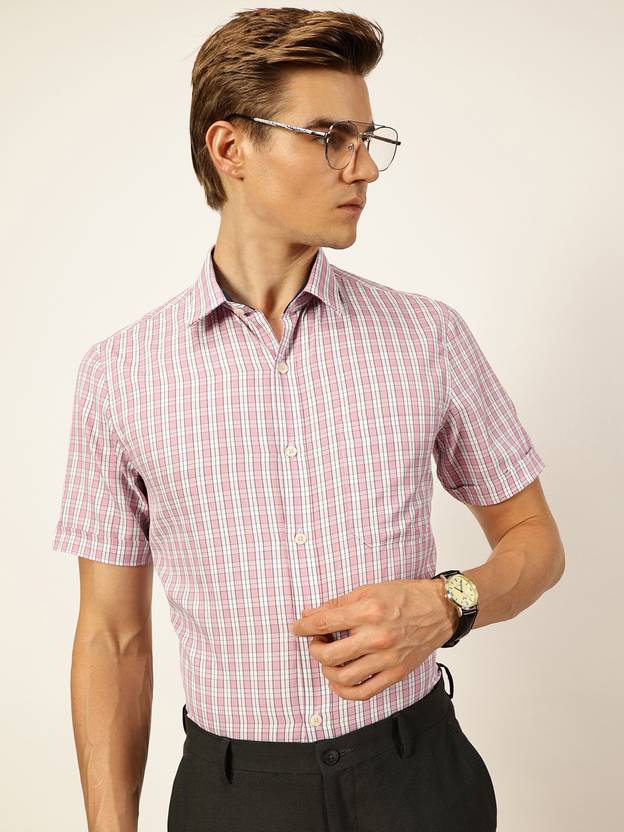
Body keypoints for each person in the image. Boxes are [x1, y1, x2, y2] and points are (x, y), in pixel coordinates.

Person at [51, 7, 565, 832]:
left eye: (367, 137)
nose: (363, 168)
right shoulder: (120, 375)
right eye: (330, 136)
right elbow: (112, 638)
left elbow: (535, 541)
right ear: (230, 148)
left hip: (420, 781)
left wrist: (449, 603)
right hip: (234, 797)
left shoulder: (427, 336)